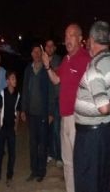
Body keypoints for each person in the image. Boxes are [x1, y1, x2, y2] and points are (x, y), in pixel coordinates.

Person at [73, 21, 110, 192]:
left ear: (91, 40)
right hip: (107, 133)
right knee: (102, 183)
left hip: (91, 139)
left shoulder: (94, 68)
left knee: (87, 185)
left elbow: (104, 107)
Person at [42, 24, 90, 192]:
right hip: (64, 116)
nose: (67, 39)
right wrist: (47, 66)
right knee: (67, 161)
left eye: (71, 35)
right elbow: (56, 80)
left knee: (80, 161)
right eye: (66, 36)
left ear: (79, 38)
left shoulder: (86, 59)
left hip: (78, 119)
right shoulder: (66, 59)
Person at [21, 44, 51, 182]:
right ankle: (34, 171)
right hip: (31, 114)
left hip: (43, 113)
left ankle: (41, 171)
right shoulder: (28, 69)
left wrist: (50, 112)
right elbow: (24, 90)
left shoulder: (46, 69)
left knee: (42, 143)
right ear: (32, 54)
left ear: (41, 53)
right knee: (33, 144)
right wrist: (23, 109)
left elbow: (51, 91)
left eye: (39, 51)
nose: (37, 54)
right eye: (34, 52)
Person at [0, 71, 21, 187]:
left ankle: (9, 177)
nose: (15, 80)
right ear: (7, 81)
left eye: (15, 78)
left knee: (12, 154)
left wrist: (16, 126)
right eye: (12, 78)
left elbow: (18, 111)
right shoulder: (2, 93)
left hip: (11, 128)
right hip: (3, 127)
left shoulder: (18, 94)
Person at [43, 39, 63, 167]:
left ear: (55, 48)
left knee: (56, 128)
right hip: (45, 99)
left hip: (56, 99)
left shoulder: (58, 60)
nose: (49, 48)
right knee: (47, 128)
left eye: (51, 46)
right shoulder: (42, 59)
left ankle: (59, 156)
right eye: (47, 45)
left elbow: (57, 79)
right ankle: (50, 152)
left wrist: (48, 65)